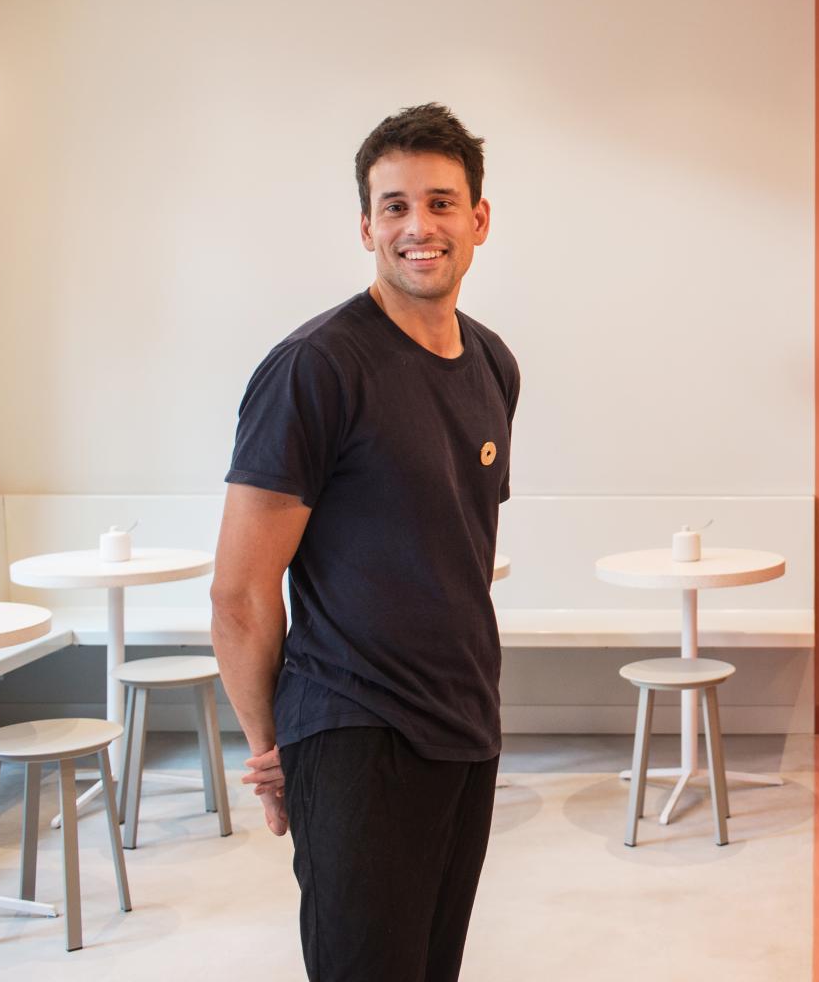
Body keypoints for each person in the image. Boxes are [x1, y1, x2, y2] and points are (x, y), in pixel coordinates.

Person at [210, 104, 520, 982]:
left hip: (466, 720)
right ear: (365, 227)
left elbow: (455, 544)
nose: (418, 226)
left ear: (479, 220)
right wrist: (276, 748)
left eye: (441, 202)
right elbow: (238, 592)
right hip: (355, 727)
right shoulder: (316, 368)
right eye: (393, 207)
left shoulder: (494, 364)